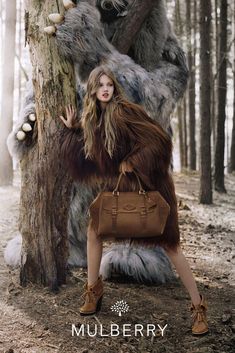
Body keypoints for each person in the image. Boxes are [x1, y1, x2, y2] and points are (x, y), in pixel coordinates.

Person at [59, 65, 208, 335]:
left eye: (109, 85)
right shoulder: (95, 120)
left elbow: (159, 140)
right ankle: (93, 290)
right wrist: (73, 132)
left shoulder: (125, 111)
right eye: (100, 85)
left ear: (114, 88)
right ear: (92, 90)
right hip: (122, 188)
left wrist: (134, 160)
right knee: (94, 232)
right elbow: (94, 158)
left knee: (171, 246)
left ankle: (198, 307)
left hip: (150, 186)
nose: (105, 89)